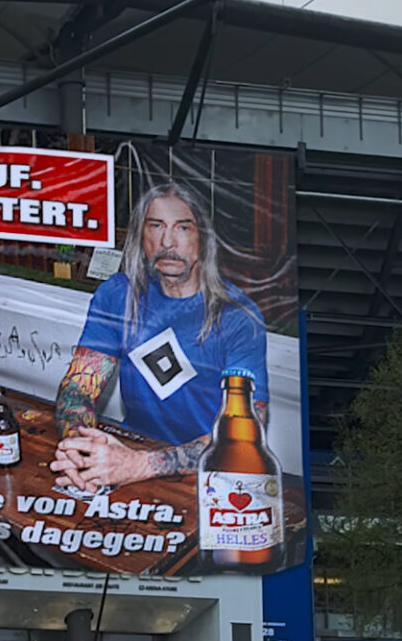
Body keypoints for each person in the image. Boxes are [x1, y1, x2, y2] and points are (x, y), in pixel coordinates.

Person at [50, 182, 268, 492]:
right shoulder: (117, 295)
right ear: (141, 236)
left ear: (203, 238)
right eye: (156, 226)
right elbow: (78, 388)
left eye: (183, 227)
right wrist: (80, 447)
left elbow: (244, 433)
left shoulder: (239, 317)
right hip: (130, 458)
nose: (168, 241)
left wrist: (139, 465)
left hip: (211, 475)